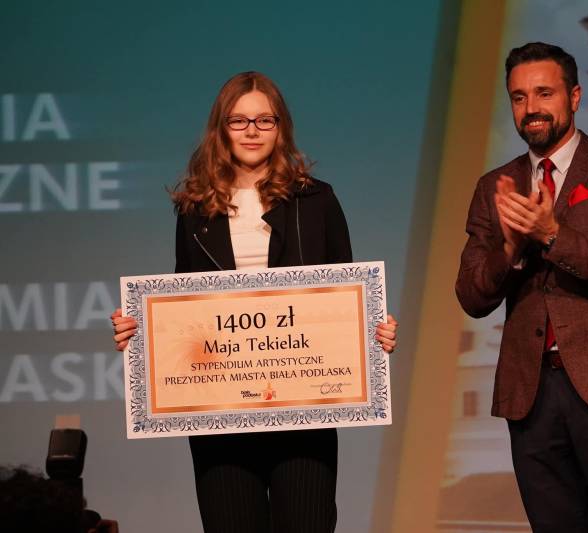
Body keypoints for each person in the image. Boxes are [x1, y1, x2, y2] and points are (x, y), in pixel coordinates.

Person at [110, 71, 398, 533]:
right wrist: (141, 332)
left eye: (265, 120)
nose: (251, 131)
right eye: (239, 120)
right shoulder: (195, 209)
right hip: (220, 415)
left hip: (303, 411)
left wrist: (374, 329)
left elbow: (347, 295)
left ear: (280, 127)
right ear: (221, 129)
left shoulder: (316, 199)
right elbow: (183, 306)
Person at [455, 42, 588, 532]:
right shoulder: (495, 186)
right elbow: (471, 296)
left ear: (574, 97)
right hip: (531, 398)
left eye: (544, 93)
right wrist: (510, 250)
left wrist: (552, 234)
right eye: (518, 97)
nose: (530, 107)